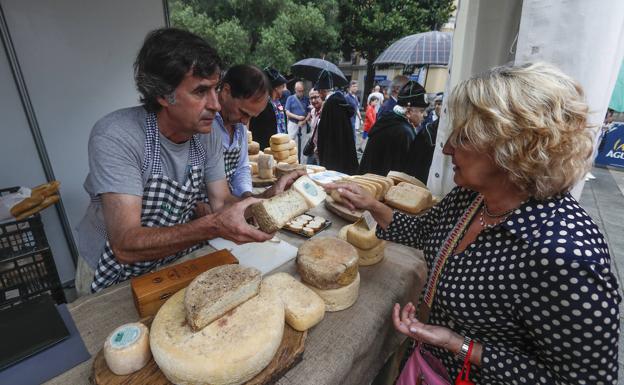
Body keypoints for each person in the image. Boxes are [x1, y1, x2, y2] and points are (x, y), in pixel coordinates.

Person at [329, 62, 621, 384]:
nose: (447, 147)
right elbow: (426, 231)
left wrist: (459, 344)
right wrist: (370, 205)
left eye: (464, 136)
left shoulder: (563, 256)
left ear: (515, 149)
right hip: (428, 368)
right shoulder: (472, 198)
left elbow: (582, 380)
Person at [75, 29, 304, 295]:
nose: (216, 105)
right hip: (111, 272)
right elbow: (125, 244)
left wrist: (267, 200)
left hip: (171, 260)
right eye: (200, 91)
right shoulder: (119, 135)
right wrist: (214, 226)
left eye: (215, 89)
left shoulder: (206, 138)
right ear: (163, 94)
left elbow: (222, 203)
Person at [214, 64, 271, 197]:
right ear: (226, 91)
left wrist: (246, 196)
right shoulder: (203, 122)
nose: (245, 122)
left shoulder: (239, 127)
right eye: (243, 112)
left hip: (226, 203)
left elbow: (242, 168)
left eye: (251, 116)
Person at [358, 81, 429, 182]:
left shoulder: (386, 120)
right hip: (382, 189)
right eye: (422, 111)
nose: (425, 115)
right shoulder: (405, 132)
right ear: (408, 112)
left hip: (367, 182)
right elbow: (404, 173)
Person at [316, 92, 358, 174]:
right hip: (345, 170)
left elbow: (321, 141)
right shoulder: (345, 119)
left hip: (329, 167)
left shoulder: (327, 113)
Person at [248, 67, 288, 149]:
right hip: (265, 149)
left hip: (280, 147)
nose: (283, 90)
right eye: (282, 87)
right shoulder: (262, 104)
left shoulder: (277, 104)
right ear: (276, 88)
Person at [285, 81, 311, 160]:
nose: (301, 93)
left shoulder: (306, 99)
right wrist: (297, 117)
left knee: (303, 145)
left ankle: (303, 164)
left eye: (302, 91)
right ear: (295, 90)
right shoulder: (290, 98)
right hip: (293, 124)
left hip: (303, 124)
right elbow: (287, 112)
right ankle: (292, 162)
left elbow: (309, 112)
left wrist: (304, 121)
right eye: (299, 91)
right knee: (291, 144)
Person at [305, 88, 323, 165]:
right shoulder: (312, 111)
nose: (313, 100)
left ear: (321, 96)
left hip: (321, 150)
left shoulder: (326, 112)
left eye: (316, 97)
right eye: (311, 98)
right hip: (312, 148)